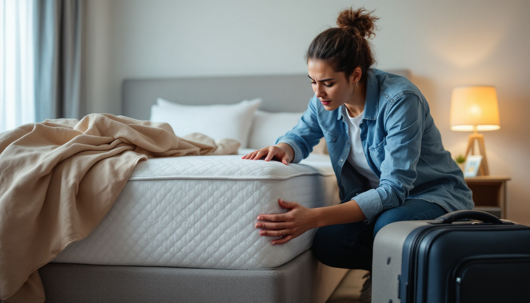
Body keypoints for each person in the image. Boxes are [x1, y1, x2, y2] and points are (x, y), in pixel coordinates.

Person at [242, 7, 473, 302]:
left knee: (389, 224)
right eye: (312, 81)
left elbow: (393, 190)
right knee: (327, 243)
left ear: (355, 75)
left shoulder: (400, 100)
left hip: (431, 195)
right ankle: (386, 268)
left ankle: (390, 281)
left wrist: (314, 217)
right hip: (383, 203)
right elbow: (301, 135)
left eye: (327, 83)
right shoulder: (322, 103)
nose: (318, 92)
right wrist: (283, 148)